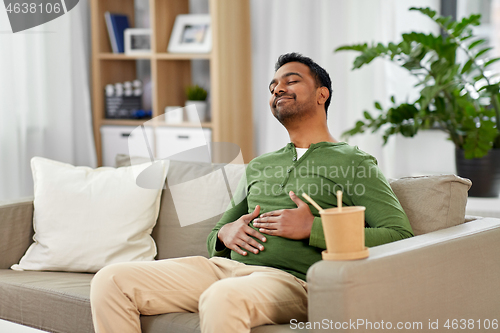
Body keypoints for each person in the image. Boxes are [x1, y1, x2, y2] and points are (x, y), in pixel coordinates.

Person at [90, 53, 414, 333]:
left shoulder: (353, 161)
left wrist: (312, 229)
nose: (278, 89)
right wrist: (225, 235)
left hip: (293, 281)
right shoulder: (260, 165)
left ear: (322, 94)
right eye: (273, 86)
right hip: (226, 270)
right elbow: (216, 234)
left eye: (292, 80)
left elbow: (400, 236)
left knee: (223, 298)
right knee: (111, 282)